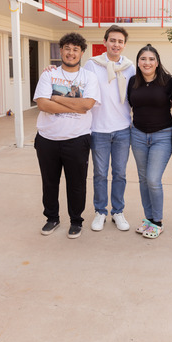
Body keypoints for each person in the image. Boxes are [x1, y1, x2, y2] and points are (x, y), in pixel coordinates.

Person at [33, 32, 100, 239]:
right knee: (49, 182)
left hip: (77, 139)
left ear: (82, 53)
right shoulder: (48, 74)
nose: (71, 53)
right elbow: (43, 104)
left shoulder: (89, 77)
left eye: (75, 49)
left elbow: (88, 104)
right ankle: (51, 218)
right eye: (67, 48)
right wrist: (74, 105)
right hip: (47, 139)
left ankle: (76, 221)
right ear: (61, 50)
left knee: (77, 183)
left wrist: (56, 98)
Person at [84, 25, 136, 232]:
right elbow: (77, 81)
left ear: (124, 45)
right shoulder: (92, 64)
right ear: (105, 42)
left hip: (123, 129)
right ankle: (100, 212)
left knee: (120, 173)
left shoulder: (130, 67)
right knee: (99, 174)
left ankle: (117, 211)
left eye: (120, 41)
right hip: (98, 129)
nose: (116, 44)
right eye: (112, 40)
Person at [127, 44, 172, 239]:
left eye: (151, 59)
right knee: (143, 179)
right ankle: (148, 218)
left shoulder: (168, 81)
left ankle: (158, 221)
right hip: (137, 134)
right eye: (143, 59)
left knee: (153, 179)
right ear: (138, 62)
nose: (147, 62)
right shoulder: (132, 81)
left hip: (162, 135)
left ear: (157, 62)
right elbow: (130, 103)